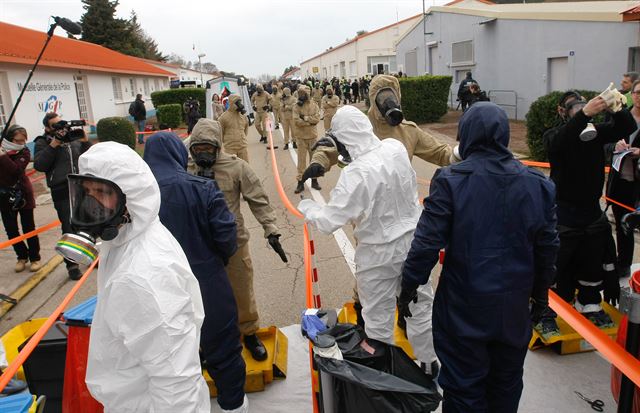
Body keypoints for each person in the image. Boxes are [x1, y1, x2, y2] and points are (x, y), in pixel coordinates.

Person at [399, 102, 559, 413]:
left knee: (463, 386)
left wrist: (409, 286)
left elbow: (426, 243)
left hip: (464, 306)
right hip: (514, 307)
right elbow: (548, 249)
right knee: (507, 382)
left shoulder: (450, 180)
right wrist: (541, 298)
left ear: (466, 135)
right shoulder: (539, 184)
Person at [62, 142, 212, 412]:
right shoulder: (131, 236)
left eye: (101, 192)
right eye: (86, 191)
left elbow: (177, 387)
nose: (90, 203)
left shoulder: (141, 277)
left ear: (131, 198)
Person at [298, 106, 436, 370]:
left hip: (377, 254)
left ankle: (385, 374)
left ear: (346, 139)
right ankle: (430, 365)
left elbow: (329, 222)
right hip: (413, 245)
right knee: (420, 309)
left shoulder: (356, 173)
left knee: (378, 318)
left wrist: (309, 208)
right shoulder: (394, 148)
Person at [143, 132, 249, 413]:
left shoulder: (134, 195)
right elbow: (227, 236)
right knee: (223, 349)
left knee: (167, 356)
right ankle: (232, 406)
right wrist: (216, 260)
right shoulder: (201, 187)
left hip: (153, 289)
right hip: (206, 280)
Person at [185, 119, 288, 361]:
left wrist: (271, 229)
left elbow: (258, 199)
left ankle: (249, 332)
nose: (203, 155)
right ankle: (204, 342)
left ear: (217, 146)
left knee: (241, 290)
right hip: (199, 246)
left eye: (208, 150)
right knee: (199, 295)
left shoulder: (236, 167)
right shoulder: (184, 168)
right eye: (197, 149)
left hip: (233, 242)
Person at [539, 89, 637, 337]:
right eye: (572, 106)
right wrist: (583, 115)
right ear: (563, 112)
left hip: (591, 212)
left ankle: (590, 304)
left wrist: (614, 106)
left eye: (581, 104)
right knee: (556, 266)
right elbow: (559, 142)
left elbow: (627, 125)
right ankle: (546, 311)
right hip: (563, 213)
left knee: (592, 262)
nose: (578, 108)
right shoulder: (556, 135)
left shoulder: (597, 135)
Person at [34, 112, 91, 280]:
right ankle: (72, 265)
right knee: (69, 227)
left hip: (81, 186)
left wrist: (85, 140)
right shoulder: (42, 142)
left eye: (61, 123)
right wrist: (54, 144)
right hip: (61, 190)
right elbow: (40, 165)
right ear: (47, 128)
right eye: (55, 125)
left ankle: (88, 256)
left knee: (87, 225)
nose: (60, 128)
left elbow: (89, 154)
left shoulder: (72, 138)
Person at [606, 79, 640, 279]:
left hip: (638, 182)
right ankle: (624, 263)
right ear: (631, 94)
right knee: (621, 225)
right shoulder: (622, 117)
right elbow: (605, 143)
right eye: (636, 92)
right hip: (621, 180)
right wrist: (615, 147)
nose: (639, 96)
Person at [0, 125, 41, 273]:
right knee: (11, 230)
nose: (21, 144)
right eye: (17, 141)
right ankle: (22, 256)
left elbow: (16, 170)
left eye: (23, 141)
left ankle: (35, 257)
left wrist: (3, 156)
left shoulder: (24, 151)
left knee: (28, 228)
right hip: (4, 196)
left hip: (23, 194)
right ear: (9, 139)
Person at [293, 85, 321, 194]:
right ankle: (300, 183)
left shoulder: (314, 105)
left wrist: (305, 118)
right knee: (301, 161)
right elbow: (296, 121)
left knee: (314, 160)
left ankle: (314, 181)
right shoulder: (296, 106)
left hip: (312, 137)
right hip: (301, 137)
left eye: (303, 93)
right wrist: (310, 122)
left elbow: (317, 119)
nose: (301, 95)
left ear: (307, 94)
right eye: (299, 93)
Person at [218, 94, 250, 162]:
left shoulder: (243, 117)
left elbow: (246, 129)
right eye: (237, 102)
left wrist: (242, 138)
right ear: (232, 103)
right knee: (231, 169)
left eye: (240, 102)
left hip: (242, 147)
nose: (239, 104)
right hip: (230, 148)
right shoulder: (223, 117)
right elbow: (220, 132)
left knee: (245, 167)